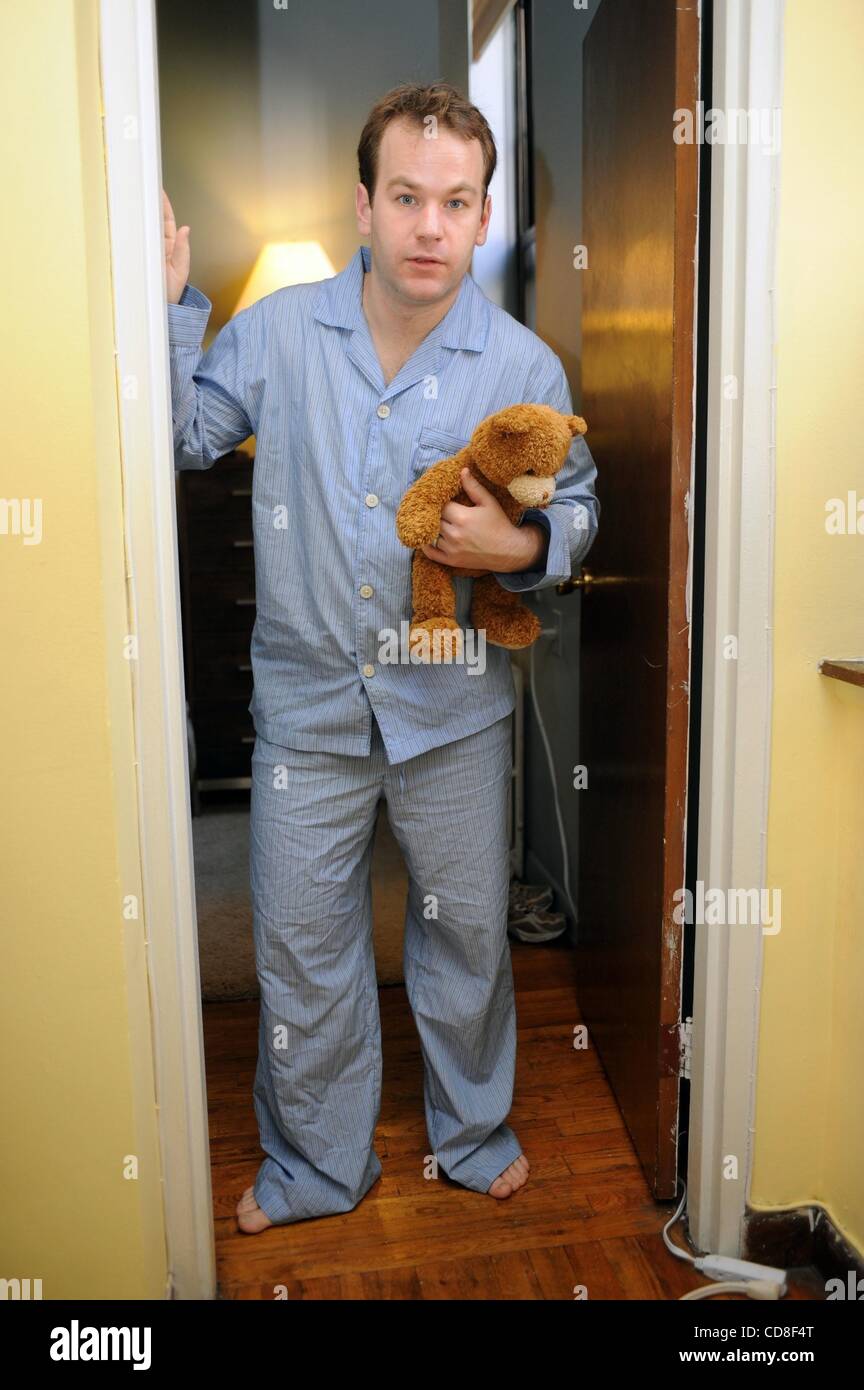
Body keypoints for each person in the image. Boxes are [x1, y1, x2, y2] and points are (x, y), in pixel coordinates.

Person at [164, 81, 600, 1234]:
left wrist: (521, 542)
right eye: (406, 196)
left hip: (453, 709)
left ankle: (472, 1131)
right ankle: (317, 1165)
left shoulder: (525, 367)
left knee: (463, 931)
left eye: (456, 201)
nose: (428, 226)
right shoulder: (273, 334)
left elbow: (584, 507)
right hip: (305, 706)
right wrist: (165, 305)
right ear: (363, 204)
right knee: (302, 941)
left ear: (483, 215)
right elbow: (178, 431)